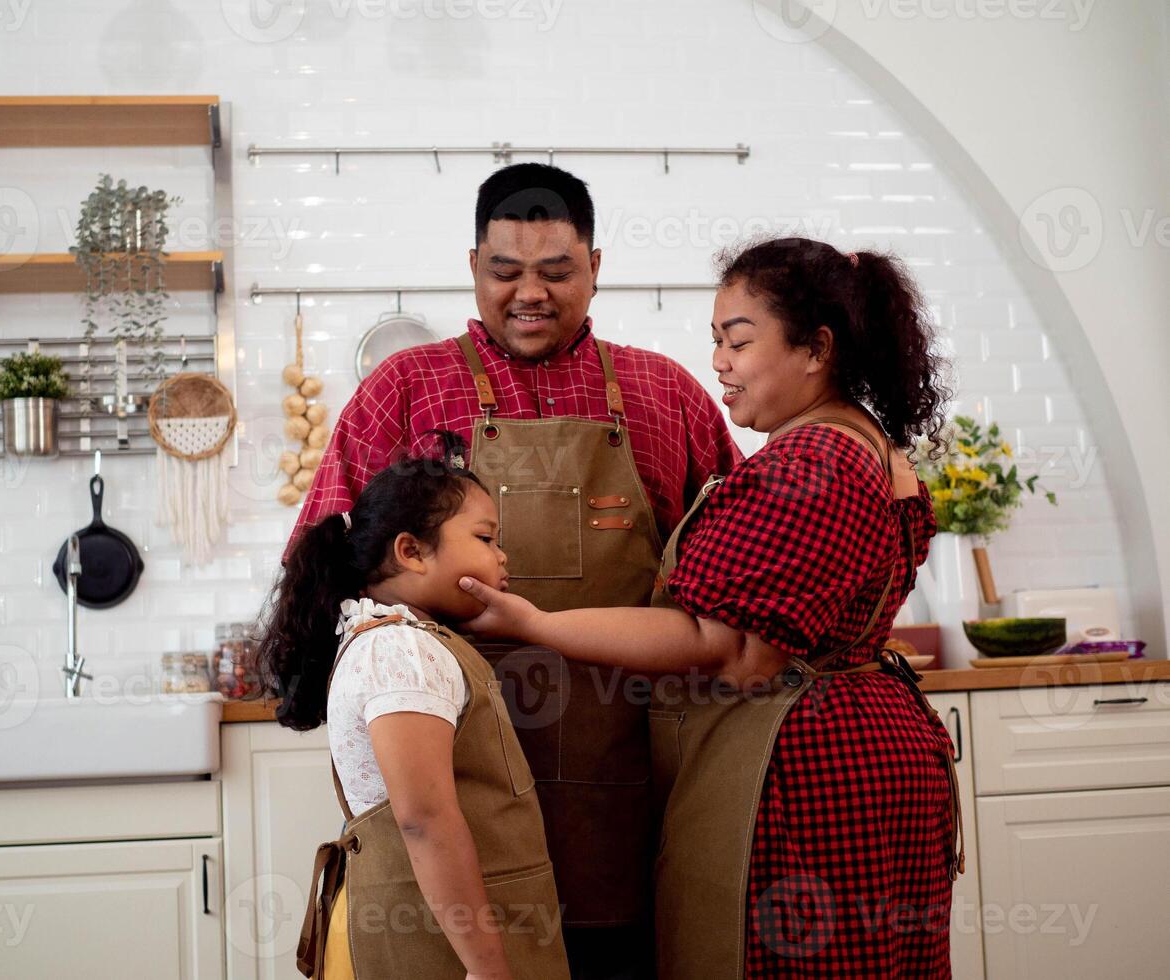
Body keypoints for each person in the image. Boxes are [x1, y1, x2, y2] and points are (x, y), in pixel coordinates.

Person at [455, 238, 964, 978]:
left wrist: (533, 623)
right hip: (879, 744)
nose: (719, 362)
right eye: (715, 342)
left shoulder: (807, 461)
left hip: (804, 764)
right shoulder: (872, 447)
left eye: (739, 340)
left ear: (816, 347)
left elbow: (728, 647)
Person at [286, 162, 739, 979]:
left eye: (556, 272)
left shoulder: (664, 395)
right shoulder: (405, 390)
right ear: (472, 268)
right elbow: (317, 565)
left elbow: (732, 596)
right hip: (454, 789)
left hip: (631, 790)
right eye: (505, 271)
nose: (528, 292)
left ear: (595, 269)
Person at [257, 432, 570, 980]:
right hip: (435, 947)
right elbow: (425, 821)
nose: (503, 555)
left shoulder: (405, 639)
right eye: (486, 537)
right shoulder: (401, 650)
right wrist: (488, 966)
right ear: (411, 551)